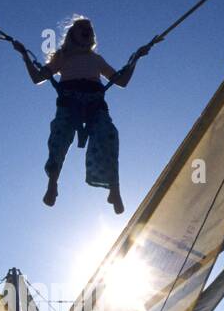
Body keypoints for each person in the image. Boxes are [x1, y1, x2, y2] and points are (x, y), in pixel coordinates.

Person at [13, 16, 151, 214]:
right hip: (69, 103)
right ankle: (53, 181)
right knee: (59, 136)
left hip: (95, 104)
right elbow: (37, 78)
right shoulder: (62, 57)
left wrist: (136, 58)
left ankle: (114, 187)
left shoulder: (96, 59)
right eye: (83, 28)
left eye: (90, 29)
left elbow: (121, 81)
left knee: (108, 135)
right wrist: (24, 55)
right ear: (72, 34)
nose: (88, 31)